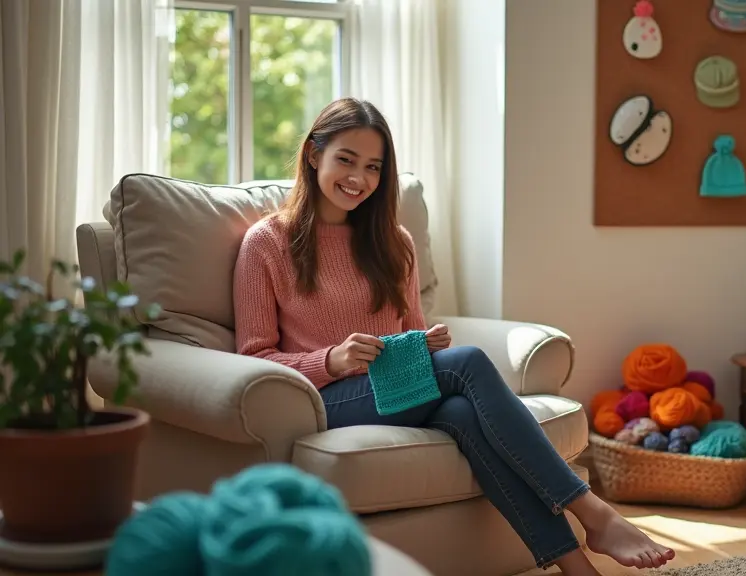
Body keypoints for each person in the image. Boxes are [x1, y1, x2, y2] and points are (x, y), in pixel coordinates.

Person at [232, 97, 675, 575]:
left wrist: (425, 345)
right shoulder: (267, 244)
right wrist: (331, 361)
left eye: (374, 167)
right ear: (314, 154)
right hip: (325, 400)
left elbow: (411, 333)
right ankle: (594, 512)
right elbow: (253, 358)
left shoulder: (393, 242)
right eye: (346, 159)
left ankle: (576, 567)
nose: (358, 179)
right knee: (466, 364)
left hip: (396, 390)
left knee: (463, 411)